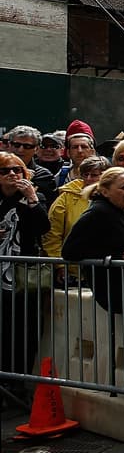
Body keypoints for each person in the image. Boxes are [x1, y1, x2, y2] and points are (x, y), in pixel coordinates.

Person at [61, 166, 124, 316]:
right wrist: (114, 257)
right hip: (116, 290)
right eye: (123, 187)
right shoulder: (97, 213)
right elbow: (70, 251)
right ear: (105, 192)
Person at [0, 152, 51, 377]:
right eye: (5, 171)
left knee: (24, 332)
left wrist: (31, 198)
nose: (12, 174)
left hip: (23, 276)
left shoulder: (34, 196)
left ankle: (18, 381)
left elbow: (43, 227)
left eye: (17, 170)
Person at [42, 155, 109, 268]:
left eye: (94, 175)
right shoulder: (66, 196)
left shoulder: (113, 197)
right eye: (85, 174)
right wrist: (60, 265)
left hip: (105, 267)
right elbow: (52, 234)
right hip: (72, 268)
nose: (88, 179)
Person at [5, 126, 58, 204]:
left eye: (27, 146)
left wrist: (31, 195)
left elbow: (48, 210)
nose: (20, 150)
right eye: (16, 145)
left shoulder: (44, 176)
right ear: (9, 145)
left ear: (36, 149)